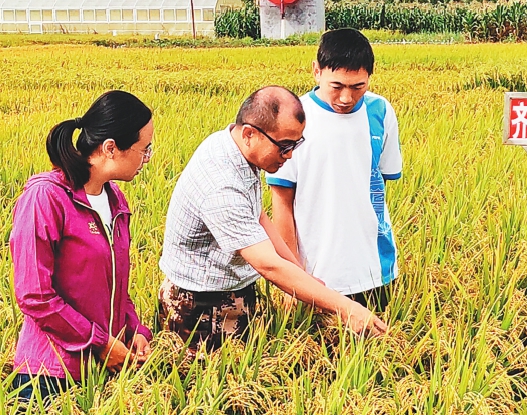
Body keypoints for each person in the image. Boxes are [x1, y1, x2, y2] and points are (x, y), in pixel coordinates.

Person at [158, 85, 387, 355]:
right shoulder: (221, 184)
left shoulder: (234, 147)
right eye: (284, 146)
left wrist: (299, 272)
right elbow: (269, 266)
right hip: (199, 308)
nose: (289, 155)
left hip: (233, 289)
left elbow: (257, 215)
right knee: (215, 387)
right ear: (249, 134)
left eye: (296, 144)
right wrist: (347, 308)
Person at [9, 90, 154, 407]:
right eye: (145, 149)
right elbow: (35, 295)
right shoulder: (46, 198)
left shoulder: (115, 201)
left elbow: (112, 284)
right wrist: (100, 344)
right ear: (111, 148)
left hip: (101, 373)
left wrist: (135, 330)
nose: (147, 159)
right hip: (49, 378)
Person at [267, 28, 402, 313]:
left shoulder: (381, 111)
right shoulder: (294, 117)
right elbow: (281, 201)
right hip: (316, 274)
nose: (346, 97)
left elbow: (379, 184)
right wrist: (294, 275)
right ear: (316, 71)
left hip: (375, 268)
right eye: (337, 86)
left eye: (358, 87)